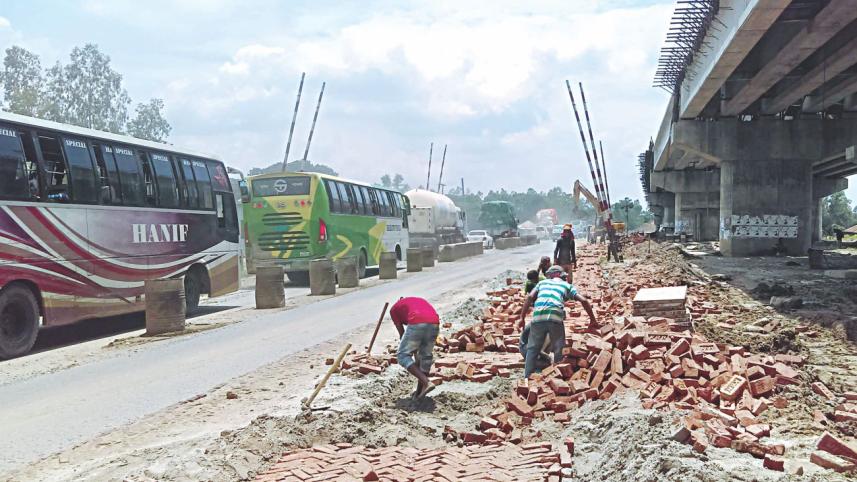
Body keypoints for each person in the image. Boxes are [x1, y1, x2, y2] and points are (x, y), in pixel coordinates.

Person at [519, 265, 598, 378]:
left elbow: (530, 298)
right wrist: (593, 320)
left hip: (538, 316)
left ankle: (526, 379)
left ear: (550, 276)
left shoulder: (542, 283)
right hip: (555, 317)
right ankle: (557, 377)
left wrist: (521, 318)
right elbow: (584, 300)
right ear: (560, 276)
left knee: (532, 349)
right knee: (559, 349)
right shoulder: (566, 285)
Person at [390, 296, 440, 399]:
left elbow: (402, 334)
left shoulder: (394, 309)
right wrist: (416, 353)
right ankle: (419, 392)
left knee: (402, 356)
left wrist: (412, 351)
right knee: (425, 357)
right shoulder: (416, 301)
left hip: (417, 320)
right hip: (435, 322)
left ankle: (427, 383)